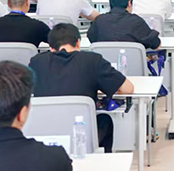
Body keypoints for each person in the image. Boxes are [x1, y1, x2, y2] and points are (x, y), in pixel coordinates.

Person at [30, 23, 134, 152]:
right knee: (104, 120)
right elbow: (128, 89)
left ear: (51, 47)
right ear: (78, 43)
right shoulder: (93, 60)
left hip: (45, 135)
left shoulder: (36, 62)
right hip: (81, 136)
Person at [87, 0, 161, 49]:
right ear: (129, 2)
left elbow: (92, 40)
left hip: (103, 61)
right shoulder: (137, 22)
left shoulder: (99, 21)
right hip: (131, 61)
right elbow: (156, 44)